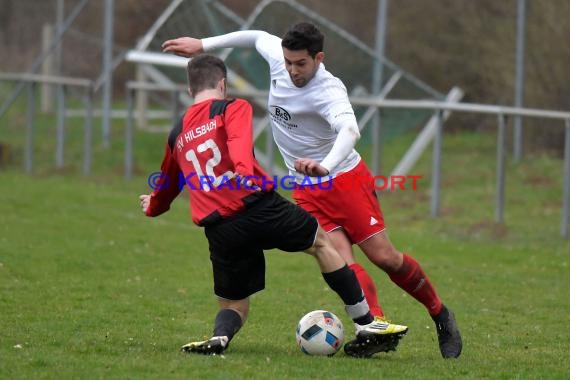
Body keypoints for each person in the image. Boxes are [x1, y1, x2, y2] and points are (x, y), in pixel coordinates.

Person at [162, 22, 462, 359]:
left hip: (344, 179)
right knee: (339, 259)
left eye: (300, 64)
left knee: (384, 258)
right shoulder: (281, 59)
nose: (292, 70)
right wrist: (202, 44)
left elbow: (349, 131)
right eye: (288, 62)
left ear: (318, 58)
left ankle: (440, 314)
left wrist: (326, 166)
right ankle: (373, 327)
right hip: (305, 186)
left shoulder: (329, 90)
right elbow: (256, 37)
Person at [138, 54, 407, 357]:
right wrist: (242, 172)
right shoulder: (233, 107)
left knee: (233, 302)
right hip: (259, 207)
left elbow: (166, 187)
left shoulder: (177, 133)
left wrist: (152, 206)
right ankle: (366, 324)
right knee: (320, 242)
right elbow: (239, 142)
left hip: (220, 228)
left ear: (190, 91)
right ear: (223, 84)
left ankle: (220, 337)